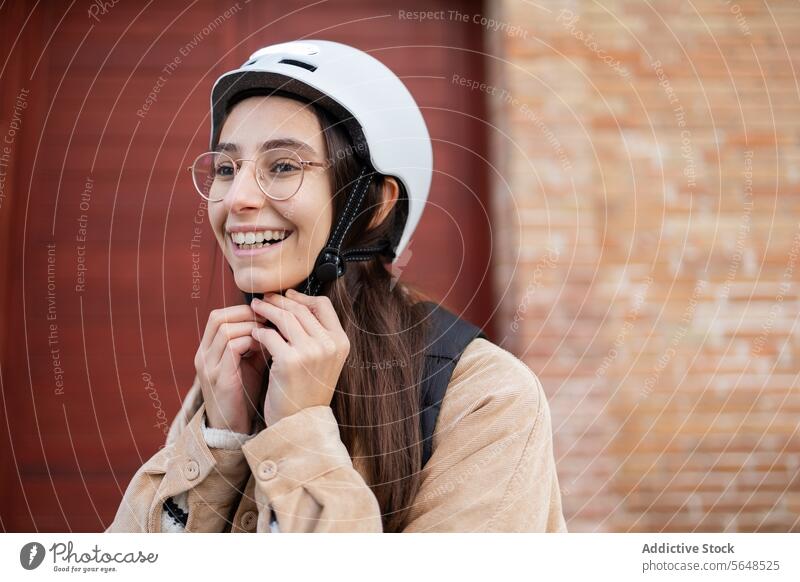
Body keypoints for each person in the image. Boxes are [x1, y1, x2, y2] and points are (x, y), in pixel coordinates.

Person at [105, 40, 567, 533]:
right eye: (226, 168)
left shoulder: (487, 397)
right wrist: (220, 441)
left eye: (283, 166)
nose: (236, 198)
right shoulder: (234, 370)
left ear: (377, 203)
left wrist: (298, 432)